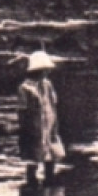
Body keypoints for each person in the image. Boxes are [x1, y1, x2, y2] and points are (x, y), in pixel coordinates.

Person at [16, 51, 65, 186]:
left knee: (51, 155)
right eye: (45, 70)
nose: (47, 72)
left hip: (48, 124)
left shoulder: (47, 85)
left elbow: (52, 105)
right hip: (34, 127)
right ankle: (31, 185)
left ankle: (50, 181)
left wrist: (55, 126)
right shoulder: (24, 88)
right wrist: (25, 129)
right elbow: (22, 111)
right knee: (33, 158)